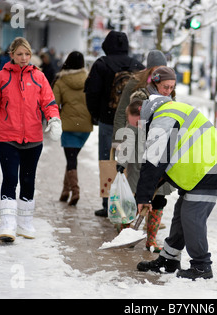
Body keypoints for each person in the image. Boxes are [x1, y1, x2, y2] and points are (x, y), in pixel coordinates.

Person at [134, 95, 217, 280]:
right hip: (200, 169)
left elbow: (154, 160)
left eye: (137, 125)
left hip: (208, 169)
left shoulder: (162, 118)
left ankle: (201, 265)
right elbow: (169, 153)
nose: (139, 129)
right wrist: (149, 190)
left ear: (143, 117)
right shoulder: (168, 111)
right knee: (181, 214)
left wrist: (143, 196)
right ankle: (169, 259)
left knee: (192, 218)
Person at [0, 37, 62, 243]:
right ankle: (7, 224)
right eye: (19, 54)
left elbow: (49, 103)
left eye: (27, 54)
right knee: (10, 178)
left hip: (33, 138)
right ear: (11, 54)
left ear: (31, 56)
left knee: (28, 180)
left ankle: (25, 222)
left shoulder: (39, 77)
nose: (23, 58)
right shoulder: (0, 78)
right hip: (7, 138)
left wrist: (54, 120)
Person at [115, 66, 177, 252]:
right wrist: (122, 161)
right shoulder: (141, 100)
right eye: (165, 87)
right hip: (141, 158)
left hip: (163, 158)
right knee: (136, 198)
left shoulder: (170, 101)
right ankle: (128, 235)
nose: (168, 91)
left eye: (171, 87)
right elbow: (130, 131)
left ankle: (151, 240)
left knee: (158, 200)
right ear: (155, 82)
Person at [84, 30, 145, 217]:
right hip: (134, 122)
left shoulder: (101, 64)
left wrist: (97, 115)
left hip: (108, 120)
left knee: (108, 160)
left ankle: (108, 202)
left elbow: (91, 93)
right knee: (132, 161)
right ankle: (131, 200)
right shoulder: (138, 66)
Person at [52, 51, 92, 206]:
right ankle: (65, 191)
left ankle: (75, 190)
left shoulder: (61, 81)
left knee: (71, 159)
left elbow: (54, 102)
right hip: (85, 127)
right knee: (72, 159)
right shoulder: (89, 79)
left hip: (68, 125)